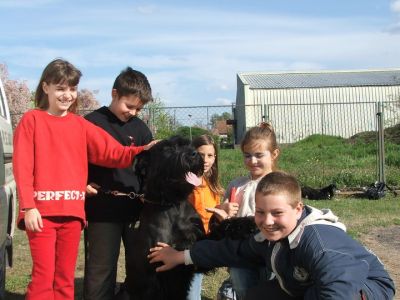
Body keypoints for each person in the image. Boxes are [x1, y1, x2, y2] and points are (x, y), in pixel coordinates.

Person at [12, 58, 157, 300]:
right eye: (60, 88)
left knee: (65, 280)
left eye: (71, 88)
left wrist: (143, 149)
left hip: (72, 214)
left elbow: (112, 153)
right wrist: (29, 206)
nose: (67, 95)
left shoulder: (80, 125)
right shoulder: (32, 120)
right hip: (42, 213)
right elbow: (23, 167)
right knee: (43, 278)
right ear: (46, 87)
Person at [148, 171, 396, 300]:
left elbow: (339, 286)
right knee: (259, 295)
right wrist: (182, 256)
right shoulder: (269, 237)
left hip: (362, 288)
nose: (267, 221)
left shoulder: (319, 242)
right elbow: (233, 250)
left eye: (277, 213)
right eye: (260, 212)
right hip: (306, 286)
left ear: (298, 209)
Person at [83, 67, 154, 300]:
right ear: (114, 94)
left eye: (138, 109)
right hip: (101, 211)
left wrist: (147, 194)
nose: (132, 112)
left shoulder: (141, 130)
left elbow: (149, 168)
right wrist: (81, 183)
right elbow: (76, 161)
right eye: (129, 106)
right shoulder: (91, 123)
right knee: (101, 270)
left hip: (136, 212)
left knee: (140, 268)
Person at [210, 122, 280, 299]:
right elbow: (223, 221)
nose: (252, 161)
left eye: (258, 155)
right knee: (244, 291)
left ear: (274, 154)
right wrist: (223, 210)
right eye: (247, 156)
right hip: (241, 252)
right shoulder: (237, 185)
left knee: (272, 291)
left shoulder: (281, 184)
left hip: (272, 252)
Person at [187, 135, 224, 300]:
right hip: (185, 241)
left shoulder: (213, 184)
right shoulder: (187, 180)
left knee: (194, 287)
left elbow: (212, 211)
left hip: (203, 242)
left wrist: (223, 209)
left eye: (210, 155)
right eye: (201, 155)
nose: (206, 160)